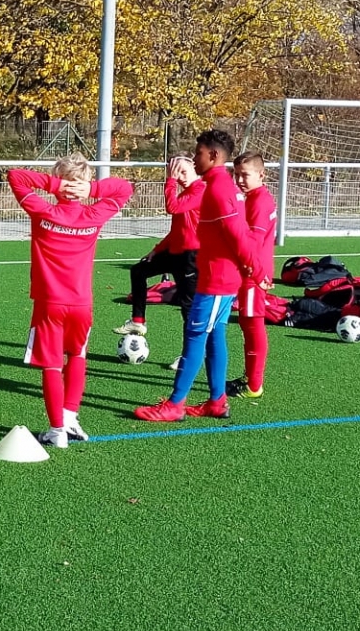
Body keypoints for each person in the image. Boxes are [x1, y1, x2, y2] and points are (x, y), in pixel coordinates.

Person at [9, 155, 134, 449]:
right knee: (78, 355)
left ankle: (57, 430)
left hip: (49, 303)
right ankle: (70, 418)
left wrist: (54, 185)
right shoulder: (94, 215)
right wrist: (92, 190)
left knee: (52, 365)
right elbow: (125, 188)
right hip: (81, 304)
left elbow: (16, 176)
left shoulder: (43, 211)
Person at [136, 130, 259, 423]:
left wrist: (255, 268)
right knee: (215, 336)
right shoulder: (218, 185)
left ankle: (175, 404)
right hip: (218, 277)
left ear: (213, 155)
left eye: (198, 153)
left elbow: (238, 235)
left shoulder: (217, 189)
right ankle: (217, 401)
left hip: (217, 280)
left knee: (194, 337)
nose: (194, 158)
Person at [115, 155, 198, 340]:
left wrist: (170, 180)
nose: (180, 177)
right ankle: (138, 321)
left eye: (183, 172)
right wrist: (157, 249)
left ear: (194, 167)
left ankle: (190, 352)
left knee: (187, 305)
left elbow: (172, 207)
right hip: (175, 253)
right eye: (176, 173)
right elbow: (177, 231)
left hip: (191, 256)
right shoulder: (184, 194)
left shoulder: (200, 190)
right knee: (138, 271)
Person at [230, 153, 277, 399]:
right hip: (253, 270)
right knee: (247, 324)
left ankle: (254, 386)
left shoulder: (258, 201)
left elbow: (254, 242)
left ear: (261, 174)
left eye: (245, 175)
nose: (239, 180)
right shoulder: (257, 197)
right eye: (236, 174)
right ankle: (250, 378)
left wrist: (254, 272)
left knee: (252, 325)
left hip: (253, 272)